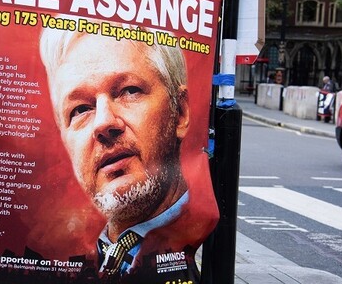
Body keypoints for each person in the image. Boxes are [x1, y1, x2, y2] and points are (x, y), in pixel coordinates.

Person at [39, 22, 213, 280]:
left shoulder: (208, 250)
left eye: (129, 91)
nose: (103, 123)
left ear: (179, 112)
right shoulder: (66, 256)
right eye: (81, 109)